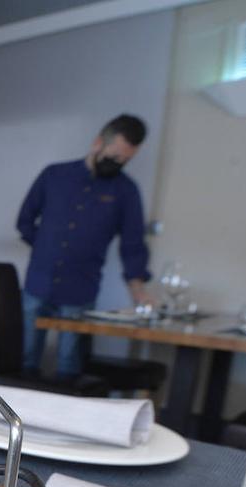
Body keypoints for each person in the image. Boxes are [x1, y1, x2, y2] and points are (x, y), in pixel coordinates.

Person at [16, 114, 153, 379]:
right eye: (114, 156)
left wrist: (138, 290)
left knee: (69, 367)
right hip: (38, 284)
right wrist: (45, 248)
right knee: (24, 361)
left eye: (126, 160)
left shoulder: (126, 191)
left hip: (80, 290)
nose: (118, 164)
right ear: (98, 143)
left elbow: (133, 243)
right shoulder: (54, 175)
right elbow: (25, 221)